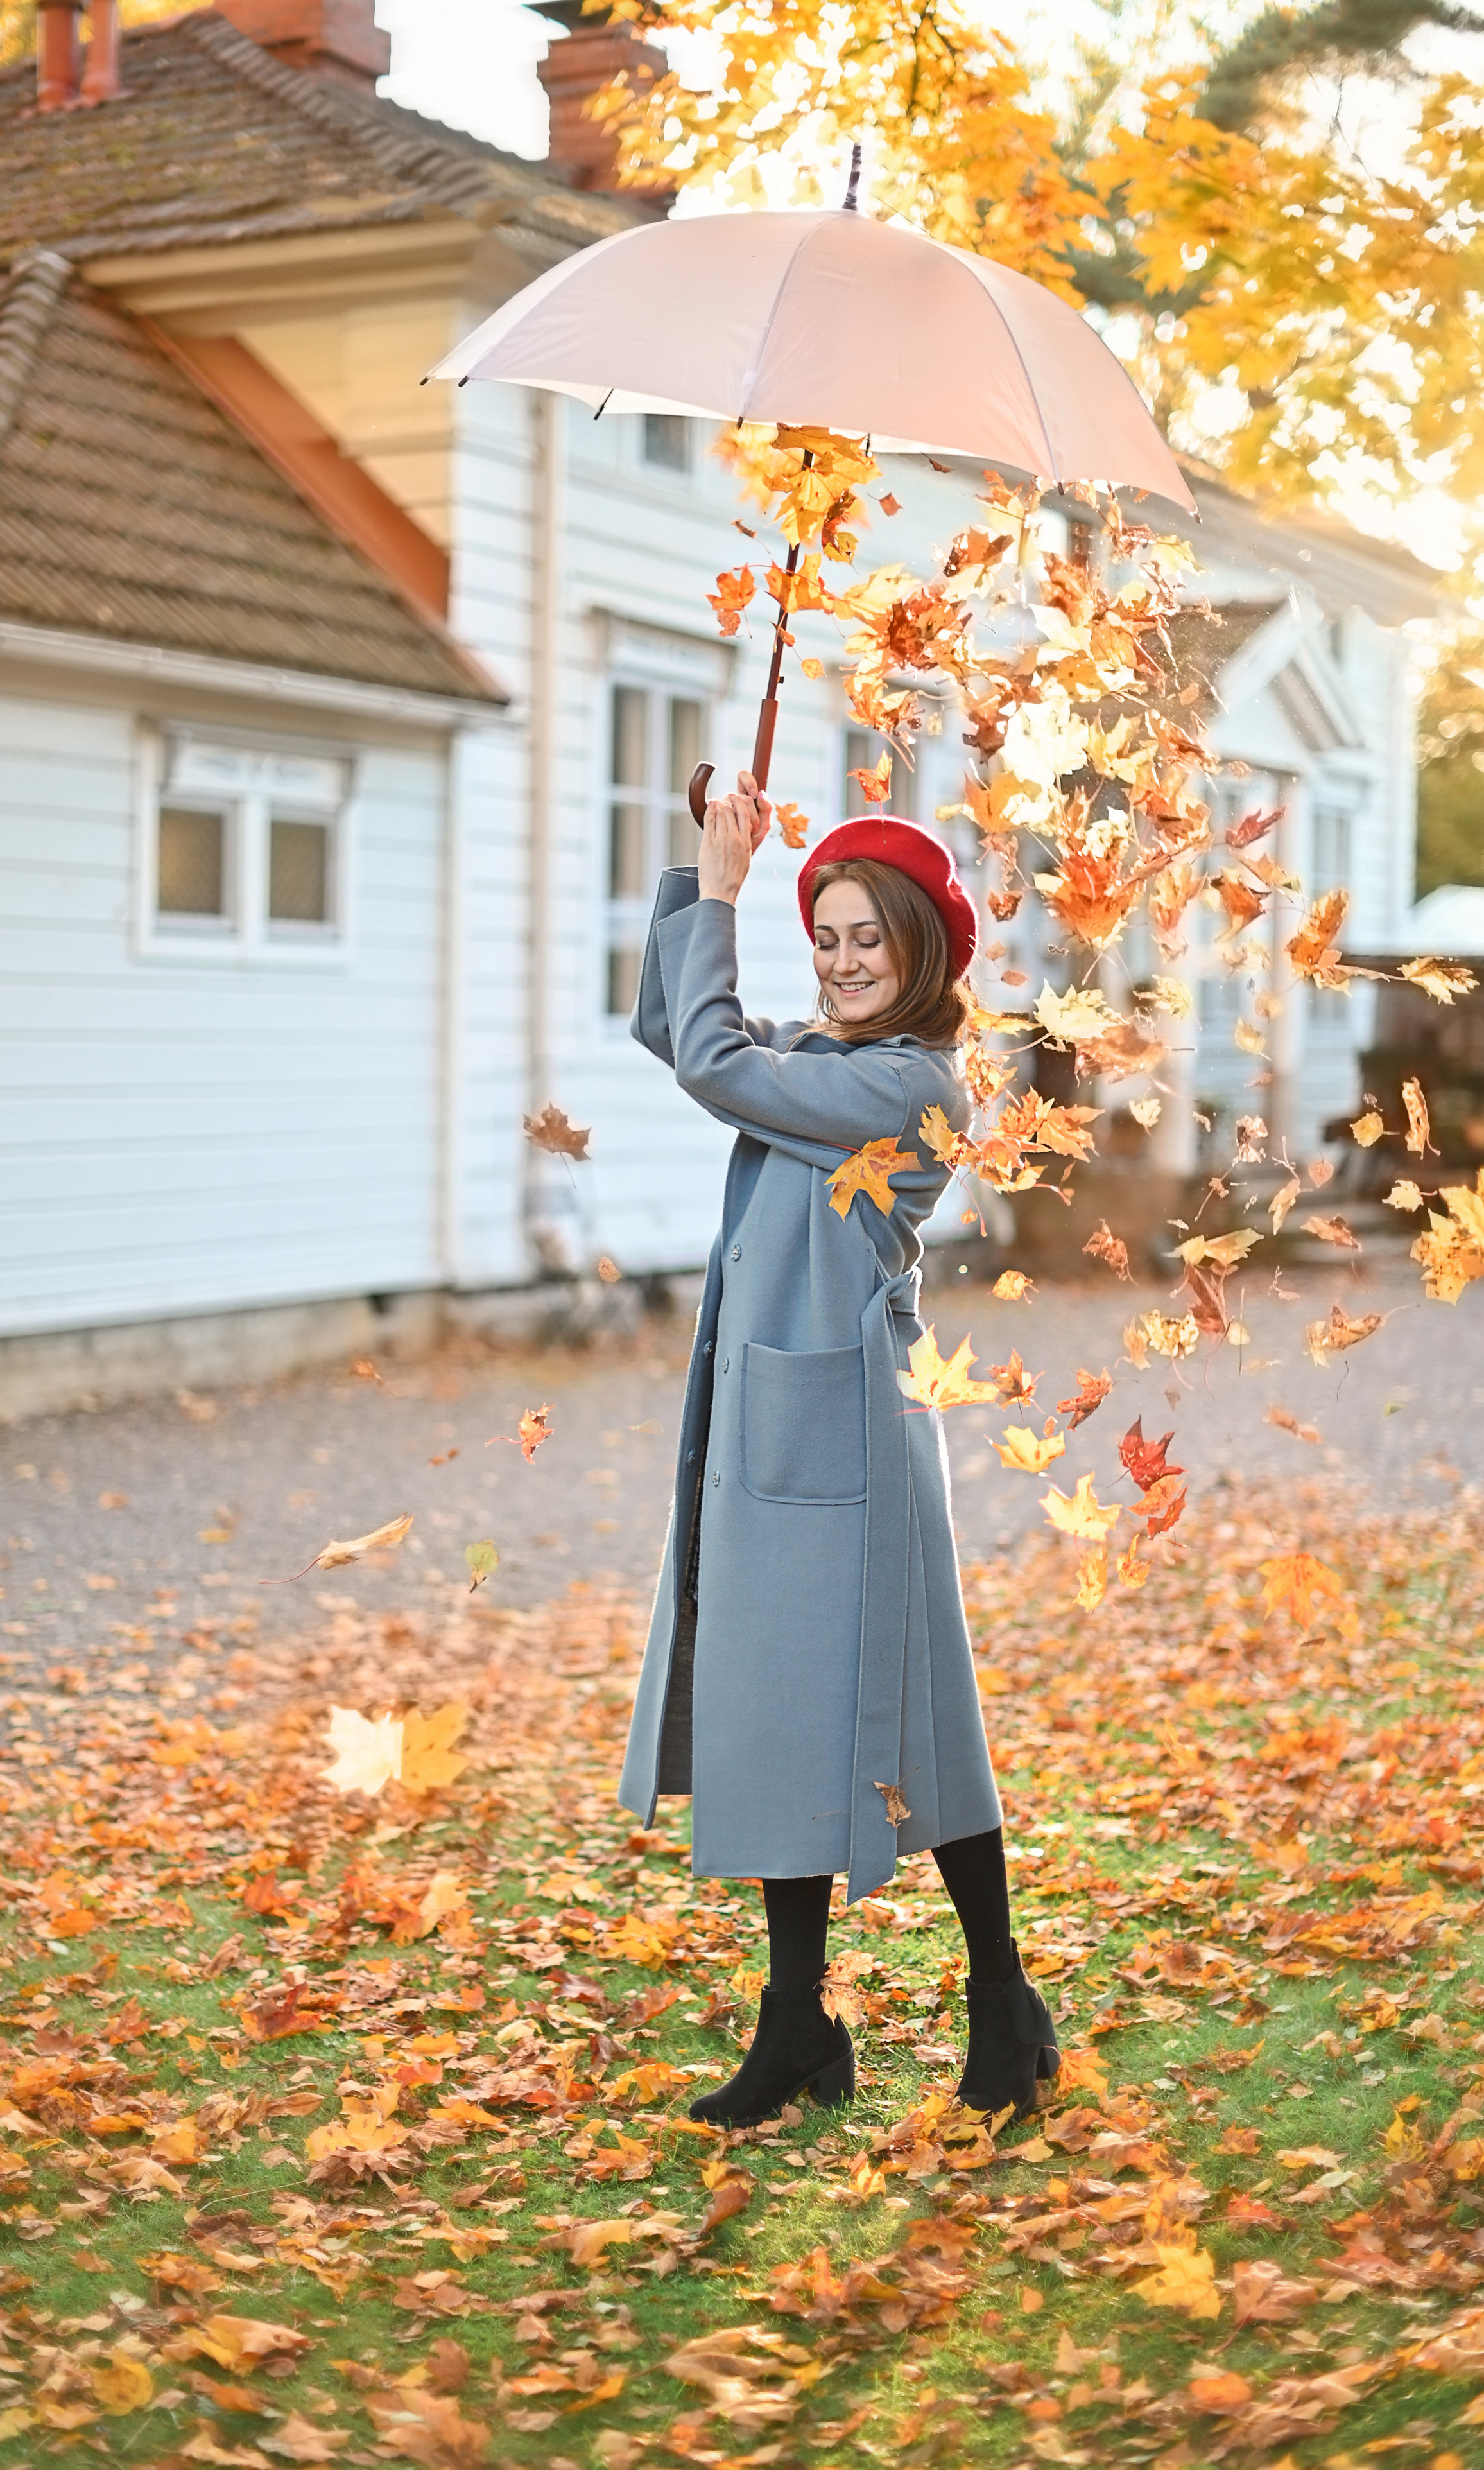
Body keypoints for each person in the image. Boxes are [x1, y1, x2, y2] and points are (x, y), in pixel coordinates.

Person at [617, 770, 1059, 2129]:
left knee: (917, 1725)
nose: (842, 960)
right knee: (769, 1714)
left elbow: (706, 1062)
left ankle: (1001, 2000)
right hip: (771, 1428)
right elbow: (663, 1022)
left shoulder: (907, 1087)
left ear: (919, 952)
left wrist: (729, 888)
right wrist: (707, 868)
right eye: (825, 937)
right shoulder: (814, 1065)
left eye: (867, 938)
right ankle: (795, 2024)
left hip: (855, 1445)